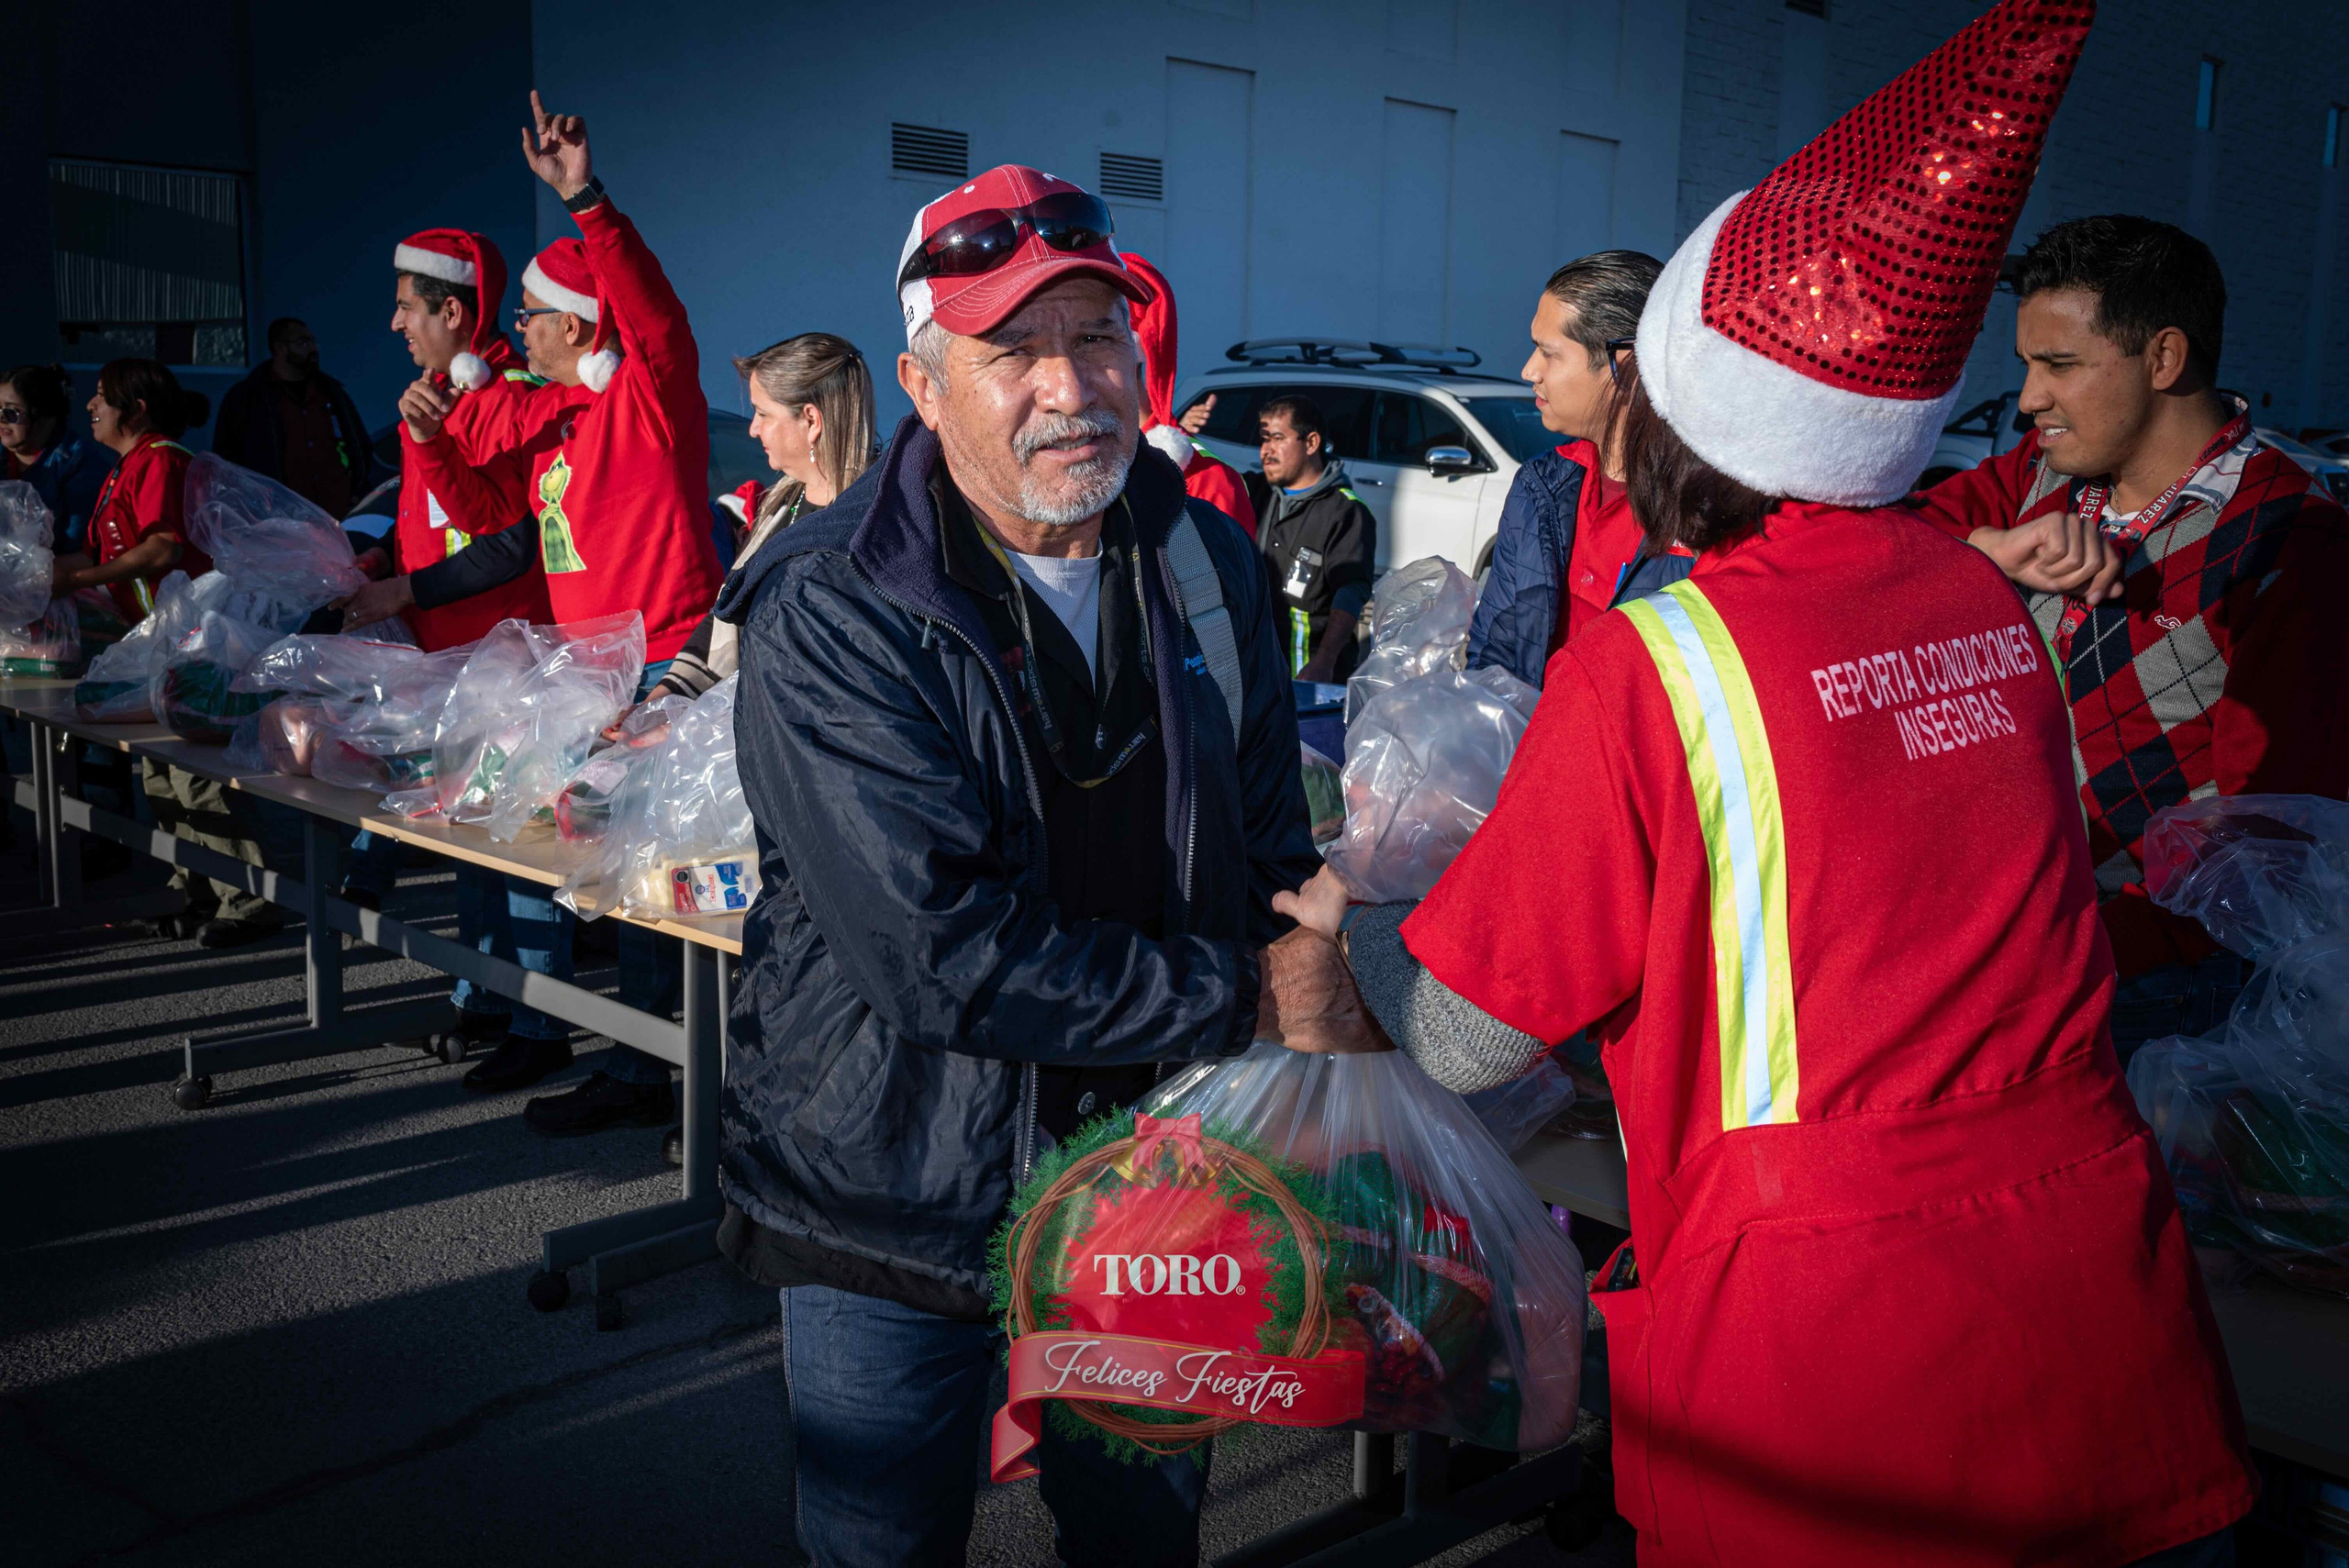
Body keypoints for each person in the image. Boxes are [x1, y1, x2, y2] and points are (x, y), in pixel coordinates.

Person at [1263, 3, 2257, 1562]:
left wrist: (1367, 907)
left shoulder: (1665, 659)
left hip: (1837, 1373)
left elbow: (1465, 1035)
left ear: (1690, 405)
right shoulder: (1977, 596)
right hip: (2094, 1306)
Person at [710, 161, 1321, 1568]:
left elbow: (1268, 846)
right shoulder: (835, 599)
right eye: (1014, 352)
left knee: (1136, 1540)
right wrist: (1249, 999)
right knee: (885, 1543)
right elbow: (942, 953)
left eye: (1098, 336)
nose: (1072, 386)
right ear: (924, 385)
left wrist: (1338, 960)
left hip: (1149, 1182)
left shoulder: (1207, 562)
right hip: (893, 1192)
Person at [352, 95, 727, 1129]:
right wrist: (427, 437)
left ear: (576, 324)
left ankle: (655, 1070)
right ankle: (633, 1051)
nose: (512, 329)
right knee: (594, 863)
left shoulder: (643, 405)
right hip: (590, 673)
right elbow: (481, 515)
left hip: (665, 665)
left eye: (528, 314)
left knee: (646, 866)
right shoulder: (553, 426)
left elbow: (653, 313)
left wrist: (584, 198)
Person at [1912, 215, 2349, 1062]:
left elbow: (2274, 857)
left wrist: (2071, 949)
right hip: (2005, 935)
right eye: (2029, 365)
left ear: (2164, 360)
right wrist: (1986, 549)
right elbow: (1858, 549)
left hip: (2153, 989)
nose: (2031, 397)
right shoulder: (2033, 481)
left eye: (2060, 366)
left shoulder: (2290, 544)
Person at [337, 228, 556, 917]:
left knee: (512, 848)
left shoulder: (507, 398)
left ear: (454, 313)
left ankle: (535, 1024)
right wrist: (380, 561)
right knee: (469, 845)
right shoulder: (439, 395)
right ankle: (484, 1003)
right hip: (450, 660)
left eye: (408, 306)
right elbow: (430, 523)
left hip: (502, 665)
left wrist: (401, 590)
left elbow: (509, 545)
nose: (395, 322)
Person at [57, 361, 278, 949]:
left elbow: (163, 548)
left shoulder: (161, 459)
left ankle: (251, 900)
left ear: (137, 409)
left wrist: (74, 579)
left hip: (192, 645)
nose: (89, 408)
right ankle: (200, 892)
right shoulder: (126, 468)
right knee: (157, 774)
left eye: (101, 398)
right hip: (157, 647)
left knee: (194, 776)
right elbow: (101, 565)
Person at [1464, 250, 1697, 687]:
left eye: (1548, 353)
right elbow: (1492, 651)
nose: (1529, 370)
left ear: (1624, 367)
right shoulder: (1539, 488)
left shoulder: (1704, 510)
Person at [642, 331, 874, 705]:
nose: (753, 428)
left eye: (763, 414)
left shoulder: (876, 510)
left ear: (811, 420)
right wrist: (660, 703)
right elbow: (728, 616)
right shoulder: (779, 507)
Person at [1118, 250, 1255, 537]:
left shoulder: (1208, 482)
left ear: (1129, 353)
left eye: (1090, 340)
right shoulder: (1061, 467)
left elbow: (1233, 580)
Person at [1251, 395, 1375, 681]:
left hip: (1311, 676)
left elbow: (1351, 589)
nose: (1265, 451)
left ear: (1311, 443)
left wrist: (1326, 660)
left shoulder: (1346, 511)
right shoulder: (1258, 492)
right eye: (1264, 439)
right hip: (1263, 670)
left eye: (1278, 438)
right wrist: (1183, 433)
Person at [211, 317, 375, 517]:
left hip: (336, 515)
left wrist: (358, 493)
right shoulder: (248, 398)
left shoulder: (331, 393)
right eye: (303, 343)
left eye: (313, 342)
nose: (313, 349)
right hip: (280, 521)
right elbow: (226, 461)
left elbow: (360, 445)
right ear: (280, 349)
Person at [1, 363, 108, 553]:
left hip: (53, 574)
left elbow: (77, 545)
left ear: (45, 416)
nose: (1, 419)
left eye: (11, 413)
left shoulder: (80, 463)